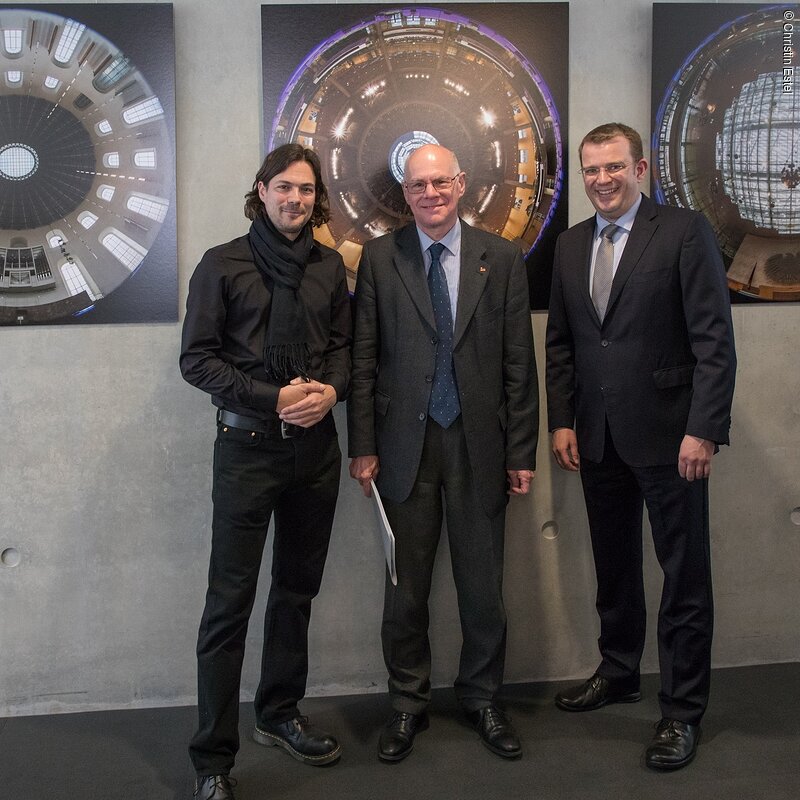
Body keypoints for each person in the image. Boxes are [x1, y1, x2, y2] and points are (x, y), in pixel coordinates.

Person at [545, 123, 736, 770]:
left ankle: (682, 712)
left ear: (640, 168)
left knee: (684, 577)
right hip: (596, 437)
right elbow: (564, 342)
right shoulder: (570, 244)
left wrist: (703, 429)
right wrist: (563, 420)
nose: (602, 180)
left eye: (613, 167)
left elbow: (714, 341)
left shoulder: (683, 232)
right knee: (615, 567)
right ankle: (619, 670)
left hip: (672, 438)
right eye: (591, 169)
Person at [348, 144, 538, 762]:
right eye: (418, 185)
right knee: (405, 590)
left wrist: (521, 451)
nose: (430, 193)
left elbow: (519, 361)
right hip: (403, 446)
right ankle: (408, 703)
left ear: (461, 184)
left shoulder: (501, 257)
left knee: (483, 590)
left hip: (480, 445)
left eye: (440, 182)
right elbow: (363, 357)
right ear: (404, 193)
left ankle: (483, 698)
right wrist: (362, 446)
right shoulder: (380, 258)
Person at [180, 144, 351, 799]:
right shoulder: (221, 264)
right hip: (247, 449)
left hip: (316, 451)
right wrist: (272, 397)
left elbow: (344, 349)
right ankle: (212, 761)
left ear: (316, 198)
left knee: (295, 593)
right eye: (284, 187)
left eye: (306, 190)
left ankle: (279, 714)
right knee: (229, 605)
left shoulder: (329, 267)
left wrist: (330, 392)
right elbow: (197, 360)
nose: (295, 199)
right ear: (261, 190)